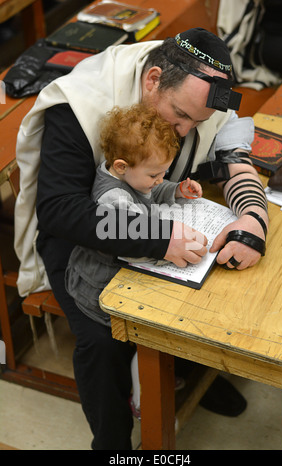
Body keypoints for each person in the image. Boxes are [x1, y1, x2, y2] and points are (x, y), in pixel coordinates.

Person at [14, 28, 269, 449]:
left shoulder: (201, 98)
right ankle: (112, 443)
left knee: (210, 283)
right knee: (102, 335)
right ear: (153, 80)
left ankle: (186, 371)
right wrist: (158, 239)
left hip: (150, 214)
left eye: (196, 122)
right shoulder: (79, 103)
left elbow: (237, 165)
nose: (186, 131)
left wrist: (252, 225)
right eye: (179, 115)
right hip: (79, 241)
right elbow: (59, 212)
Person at [65, 103, 204, 419]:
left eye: (164, 172)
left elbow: (151, 193)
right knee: (150, 339)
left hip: (123, 270)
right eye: (156, 174)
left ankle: (161, 373)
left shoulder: (133, 174)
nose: (160, 178)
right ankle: (143, 402)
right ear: (120, 166)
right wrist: (169, 227)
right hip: (99, 287)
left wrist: (175, 191)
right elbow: (133, 243)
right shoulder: (113, 198)